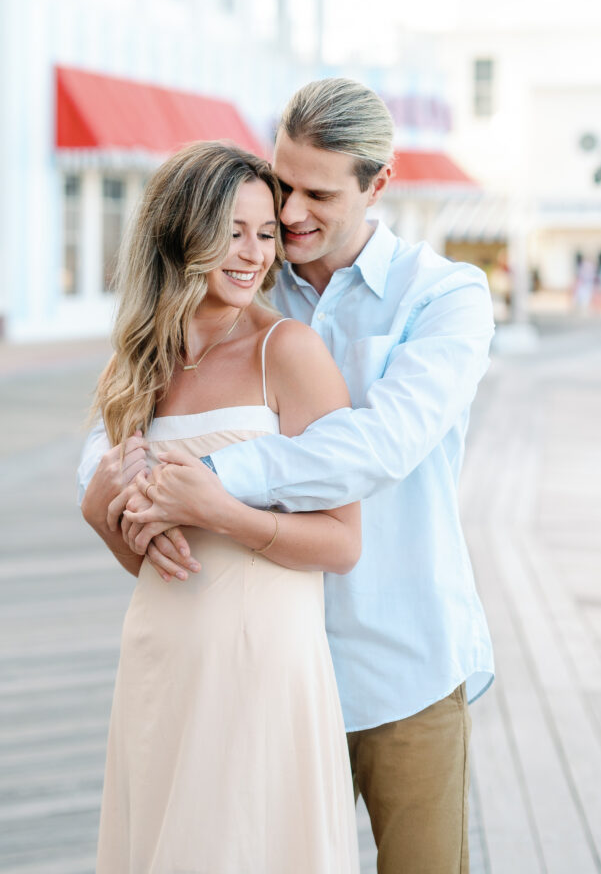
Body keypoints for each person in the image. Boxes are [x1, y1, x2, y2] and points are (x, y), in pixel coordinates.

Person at [80, 79, 495, 874]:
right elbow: (134, 415)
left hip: (398, 653)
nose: (290, 215)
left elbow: (379, 445)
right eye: (282, 185)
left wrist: (207, 479)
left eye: (317, 193)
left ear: (378, 183)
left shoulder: (442, 297)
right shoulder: (244, 276)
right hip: (256, 661)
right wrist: (116, 487)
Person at [89, 141, 361, 874]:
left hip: (262, 664)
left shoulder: (289, 352)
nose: (252, 254)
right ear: (182, 233)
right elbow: (148, 555)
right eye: (231, 232)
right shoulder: (135, 365)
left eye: (265, 233)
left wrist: (219, 508)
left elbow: (341, 544)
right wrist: (103, 516)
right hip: (160, 656)